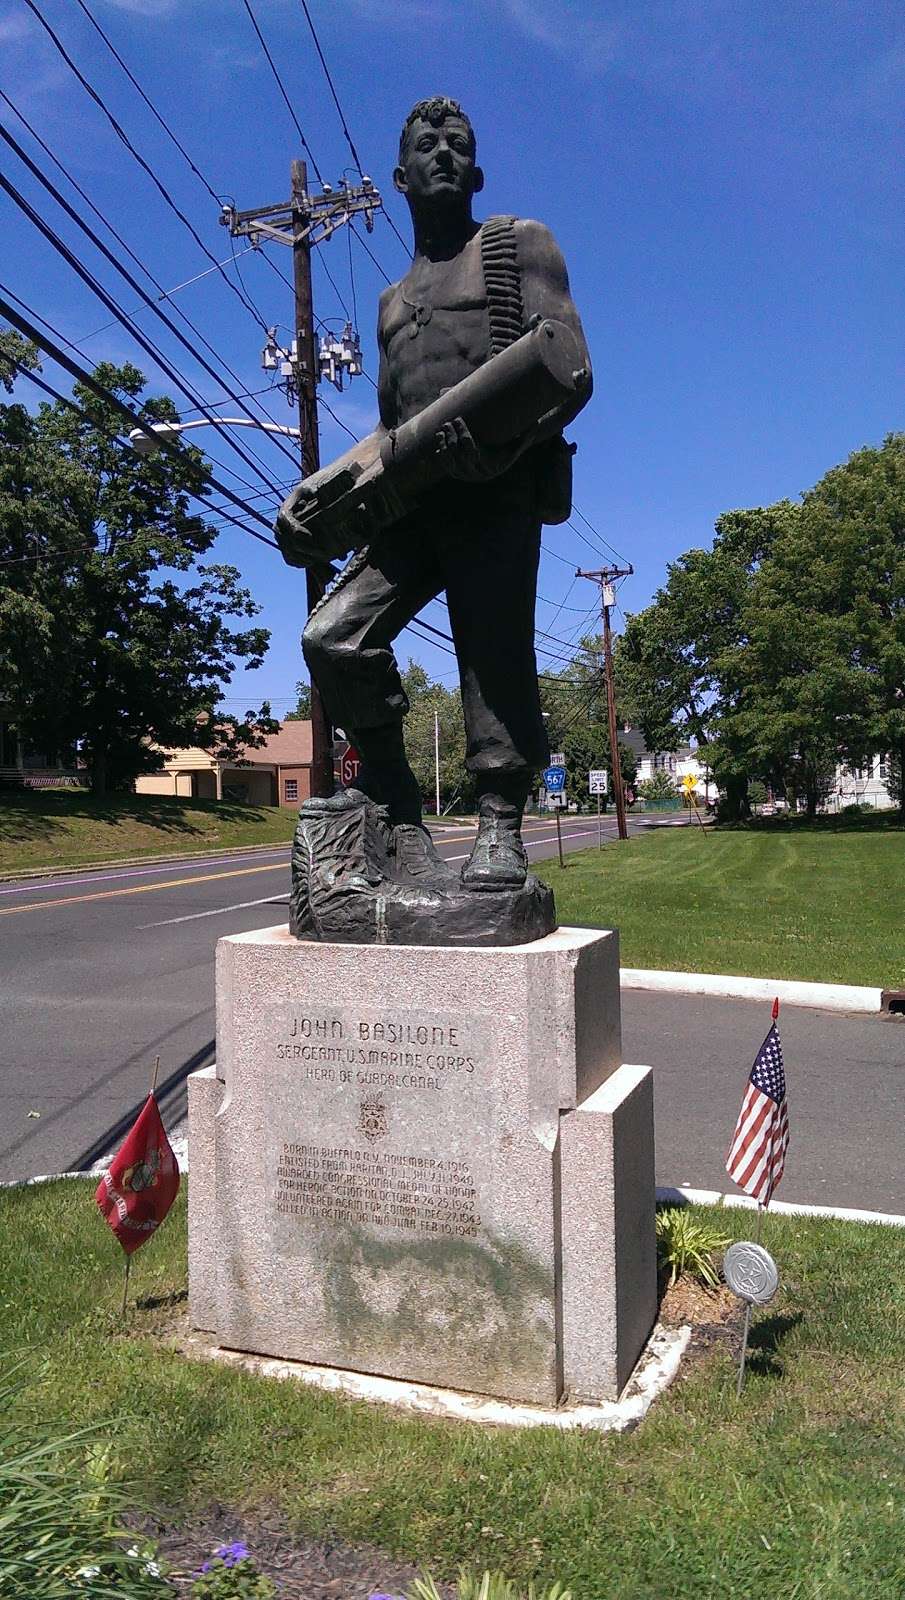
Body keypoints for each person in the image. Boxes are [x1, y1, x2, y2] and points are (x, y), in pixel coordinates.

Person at [282, 96, 591, 891]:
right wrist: (321, 487)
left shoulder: (516, 245)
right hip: (418, 496)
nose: (444, 153)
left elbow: (569, 370)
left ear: (476, 168)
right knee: (333, 638)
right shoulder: (390, 302)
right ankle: (395, 798)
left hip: (495, 487)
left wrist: (504, 451)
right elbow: (389, 428)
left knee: (492, 656)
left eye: (458, 143)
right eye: (428, 143)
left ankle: (497, 822)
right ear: (399, 175)